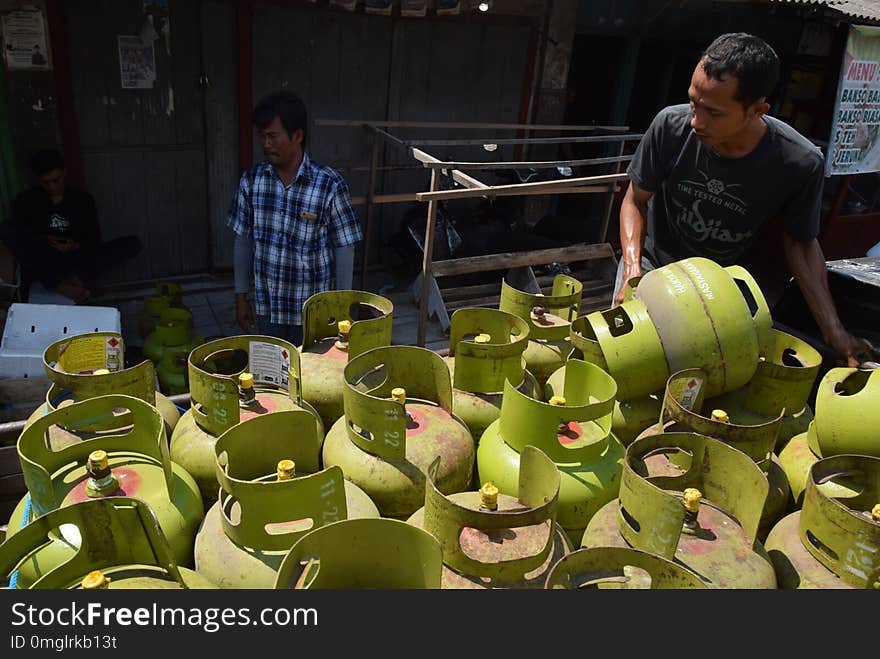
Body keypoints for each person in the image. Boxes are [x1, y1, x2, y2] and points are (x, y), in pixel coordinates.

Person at [614, 32, 873, 367]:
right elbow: (635, 201)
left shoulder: (798, 162)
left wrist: (833, 330)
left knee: (695, 374)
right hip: (651, 266)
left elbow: (802, 244)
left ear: (757, 110)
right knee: (623, 358)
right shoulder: (670, 126)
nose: (696, 121)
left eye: (713, 112)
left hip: (716, 288)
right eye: (694, 102)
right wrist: (632, 269)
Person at [227, 90, 361, 346]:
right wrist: (240, 296)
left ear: (297, 136)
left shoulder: (329, 185)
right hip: (268, 309)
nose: (266, 144)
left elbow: (345, 248)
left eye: (273, 136)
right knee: (271, 381)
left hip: (313, 313)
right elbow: (243, 240)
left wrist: (342, 307)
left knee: (311, 380)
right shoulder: (251, 182)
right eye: (262, 136)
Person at [0, 148, 142, 303]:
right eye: (46, 183)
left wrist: (74, 245)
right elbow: (23, 239)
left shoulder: (82, 200)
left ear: (64, 173)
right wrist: (45, 239)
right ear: (37, 180)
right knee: (7, 230)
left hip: (75, 258)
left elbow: (94, 239)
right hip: (44, 261)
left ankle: (75, 279)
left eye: (56, 180)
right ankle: (59, 286)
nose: (52, 187)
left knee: (132, 243)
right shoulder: (26, 201)